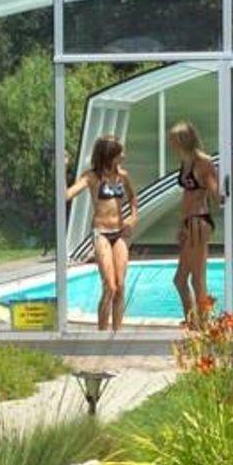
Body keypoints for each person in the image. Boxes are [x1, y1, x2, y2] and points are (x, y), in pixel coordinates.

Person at [67, 134, 136, 331]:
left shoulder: (122, 176)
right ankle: (102, 333)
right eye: (119, 153)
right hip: (101, 233)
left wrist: (133, 218)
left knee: (120, 286)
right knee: (110, 287)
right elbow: (67, 195)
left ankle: (117, 333)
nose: (123, 156)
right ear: (109, 155)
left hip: (119, 233)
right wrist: (63, 169)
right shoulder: (92, 177)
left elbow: (133, 199)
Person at [168, 121, 219, 326]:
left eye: (173, 139)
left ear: (183, 140)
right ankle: (194, 322)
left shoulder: (203, 162)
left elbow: (214, 191)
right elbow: (187, 195)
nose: (170, 143)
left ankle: (203, 325)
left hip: (199, 221)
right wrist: (181, 224)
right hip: (189, 222)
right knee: (181, 280)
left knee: (196, 279)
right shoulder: (186, 161)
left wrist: (219, 193)